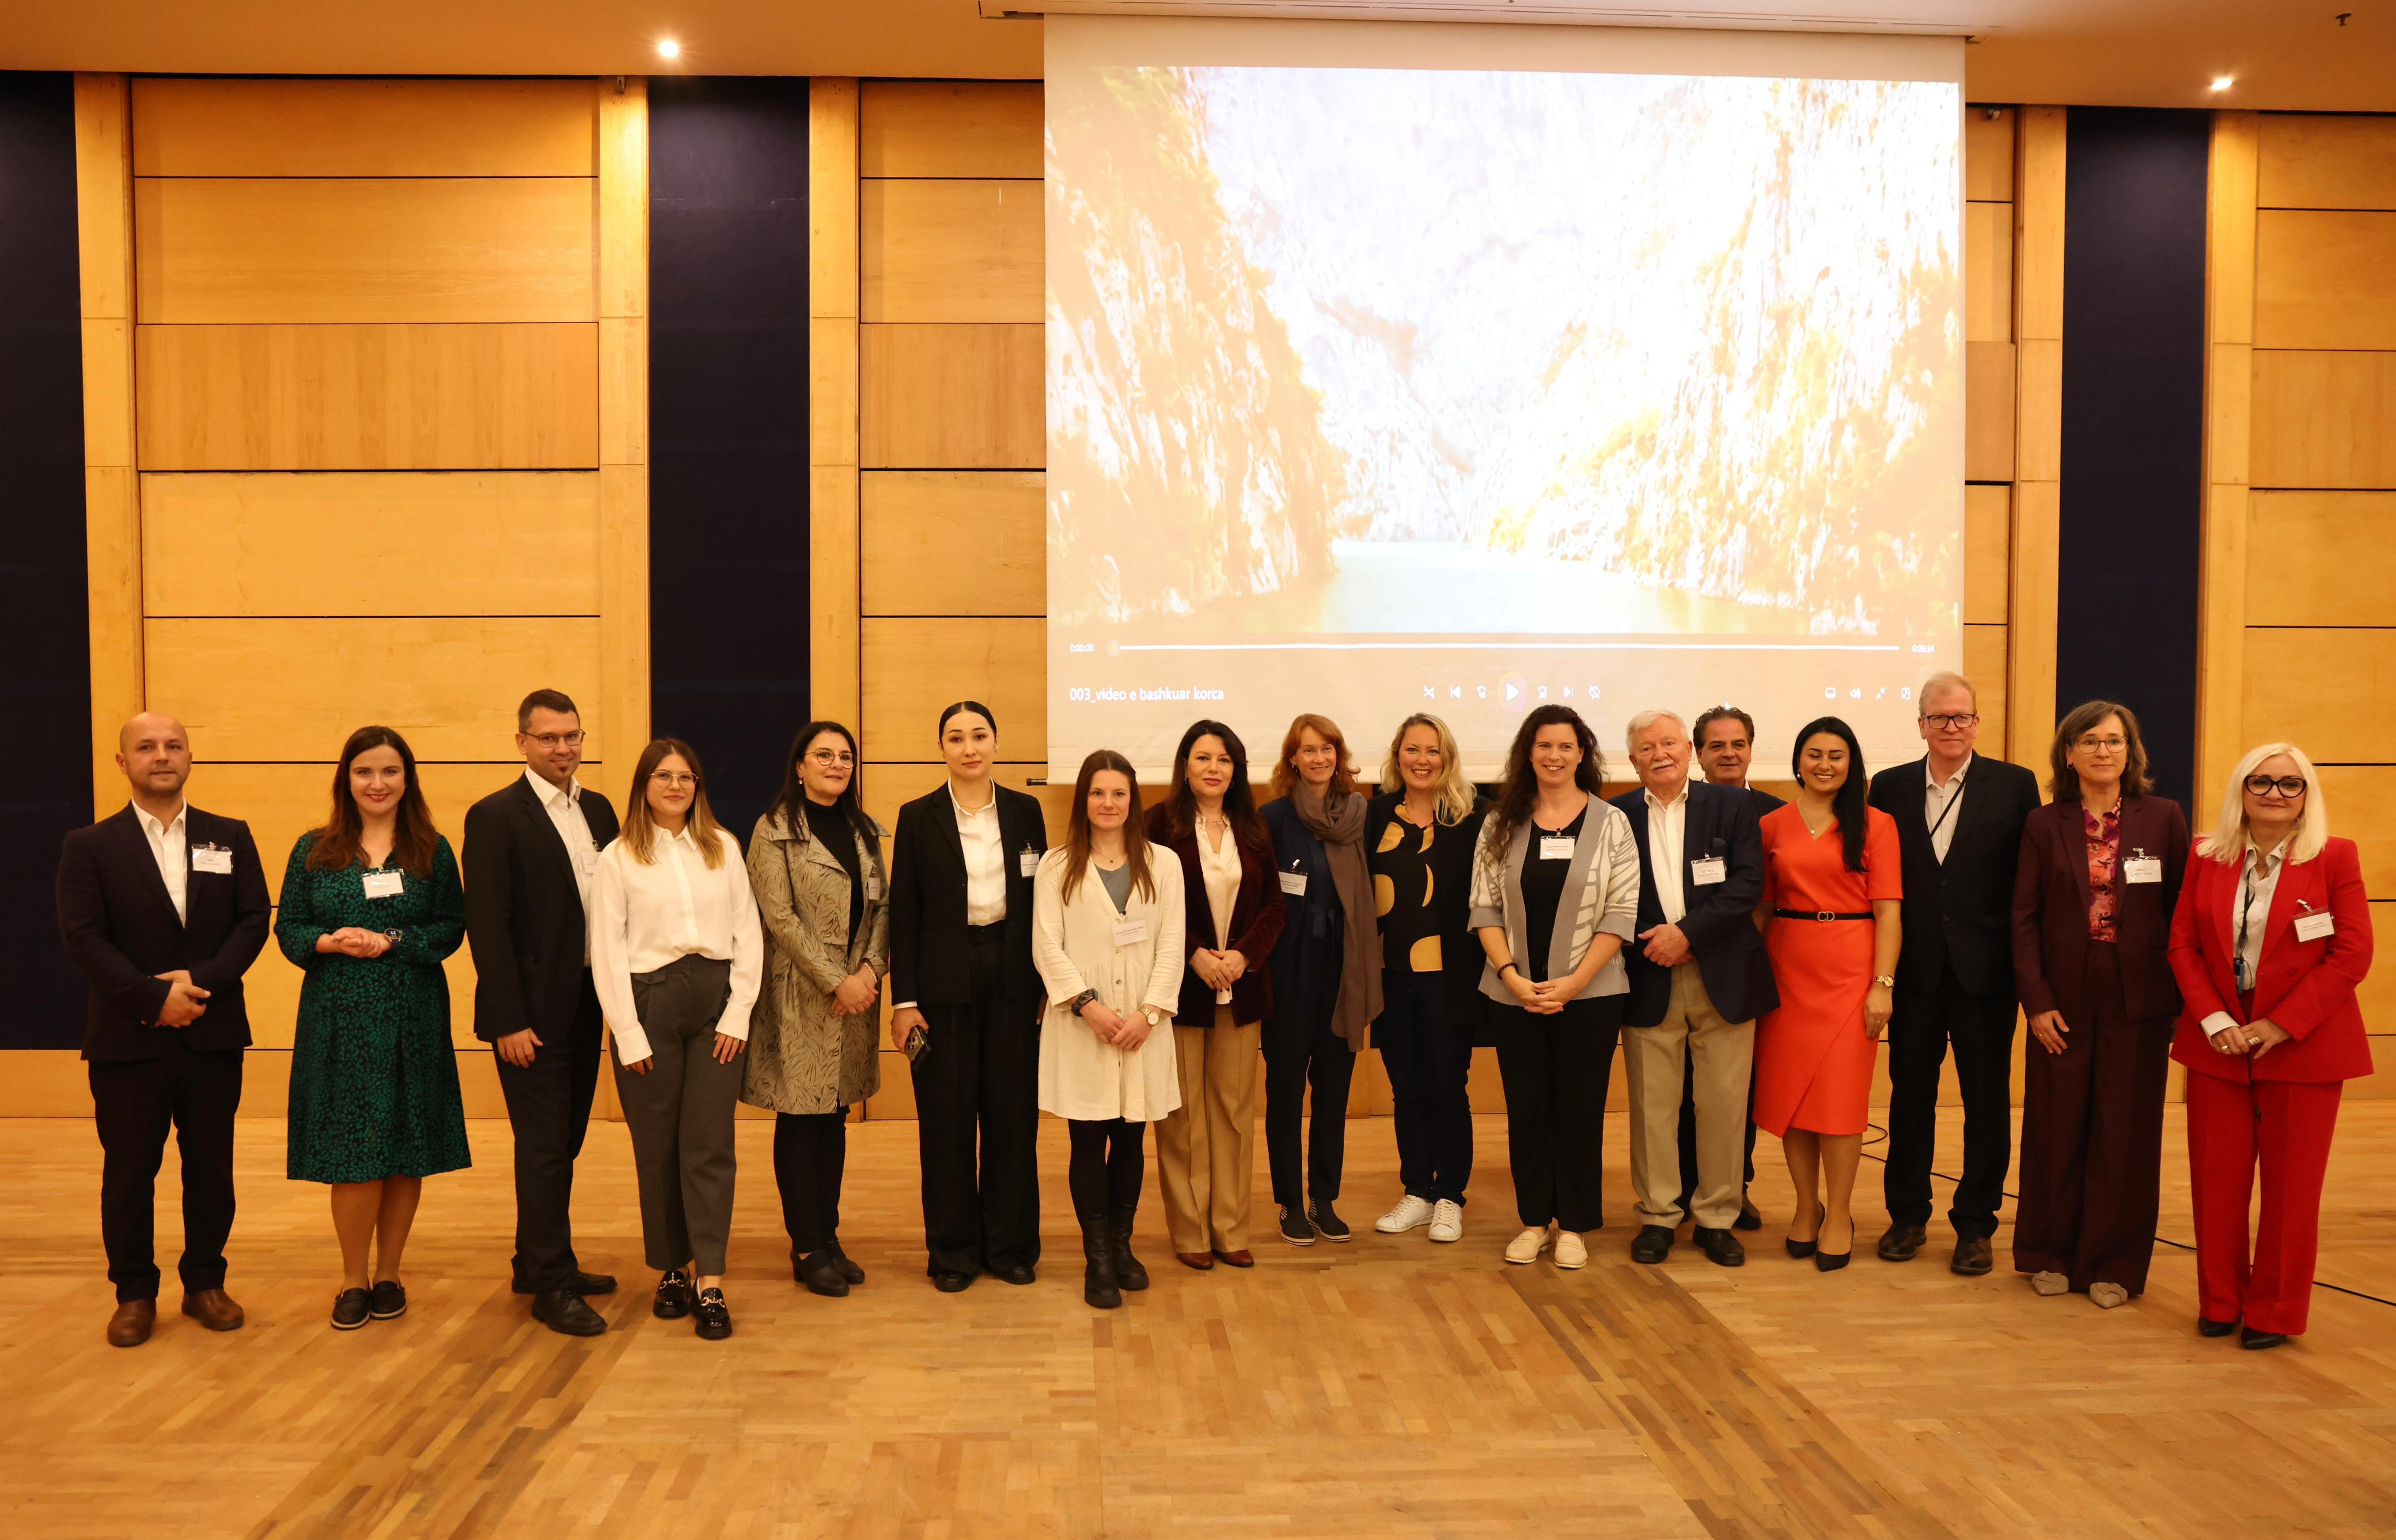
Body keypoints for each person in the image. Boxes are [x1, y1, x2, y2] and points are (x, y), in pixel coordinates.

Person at [57, 712, 270, 1348]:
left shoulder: (229, 835)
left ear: (189, 758)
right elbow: (84, 939)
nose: (161, 756)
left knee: (211, 1170)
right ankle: (134, 1293)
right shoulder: (89, 845)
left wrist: (199, 982)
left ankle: (205, 1282)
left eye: (173, 745)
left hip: (211, 1030)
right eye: (146, 747)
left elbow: (253, 919)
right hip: (128, 1038)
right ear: (122, 762)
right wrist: (154, 998)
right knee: (129, 1173)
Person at [2168, 743, 2373, 1349]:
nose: (2274, 793)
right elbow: (2182, 944)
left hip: (2302, 1043)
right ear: (2241, 789)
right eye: (2260, 781)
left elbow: (2351, 953)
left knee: (2291, 1189)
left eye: (2289, 783)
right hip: (2219, 1039)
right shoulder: (2206, 855)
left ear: (2306, 794)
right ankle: (2219, 1300)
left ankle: (2274, 1310)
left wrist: (2280, 1024)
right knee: (2216, 1182)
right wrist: (2213, 1020)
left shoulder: (2335, 856)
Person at [275, 726, 471, 1329]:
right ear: (347, 779)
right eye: (365, 771)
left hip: (413, 1015)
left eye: (389, 771)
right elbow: (289, 929)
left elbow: (450, 928)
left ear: (407, 779)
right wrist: (329, 941)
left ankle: (389, 1273)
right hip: (339, 1017)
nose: (377, 783)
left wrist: (392, 939)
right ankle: (353, 1278)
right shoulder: (313, 849)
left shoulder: (432, 850)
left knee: (406, 1147)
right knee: (354, 1150)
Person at [2010, 702, 2188, 1309]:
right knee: (2055, 1124)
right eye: (2088, 741)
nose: (2102, 751)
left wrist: (2178, 1001)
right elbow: (2023, 918)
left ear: (2130, 751)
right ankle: (2049, 1252)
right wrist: (2035, 1002)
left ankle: (2114, 1263)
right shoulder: (2043, 823)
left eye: (2114, 740)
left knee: (2125, 1130)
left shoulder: (2163, 818)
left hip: (2138, 993)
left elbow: (2182, 913)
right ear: (2069, 754)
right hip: (2062, 992)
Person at [1866, 671, 2041, 1275]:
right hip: (1913, 971)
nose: (1951, 726)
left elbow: (2029, 881)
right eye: (1939, 717)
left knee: (1985, 1103)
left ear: (1976, 724)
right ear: (1920, 725)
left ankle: (1975, 1225)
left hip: (1986, 975)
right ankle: (1906, 1216)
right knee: (1909, 1100)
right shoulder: (1888, 786)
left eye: (1961, 716)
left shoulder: (2014, 785)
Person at [589, 737, 760, 1341]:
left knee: (709, 1144)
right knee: (657, 1144)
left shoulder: (723, 848)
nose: (675, 786)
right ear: (644, 785)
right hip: (648, 1007)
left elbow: (748, 931)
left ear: (697, 786)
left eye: (686, 777)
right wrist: (627, 1032)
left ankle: (710, 1279)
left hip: (715, 1005)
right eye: (663, 776)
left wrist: (739, 1012)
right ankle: (672, 1268)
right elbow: (606, 949)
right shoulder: (618, 857)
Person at [462, 688, 620, 1337]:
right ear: (522, 742)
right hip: (528, 1015)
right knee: (544, 1147)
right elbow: (487, 924)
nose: (563, 748)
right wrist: (507, 1019)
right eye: (549, 737)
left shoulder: (600, 809)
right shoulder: (495, 816)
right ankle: (552, 1285)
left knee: (565, 1141)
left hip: (588, 1002)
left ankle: (536, 1260)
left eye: (572, 736)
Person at [886, 702, 1049, 1291]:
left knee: (1012, 1119)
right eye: (956, 738)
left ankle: (1010, 1248)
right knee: (946, 1122)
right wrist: (904, 1001)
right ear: (942, 749)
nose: (969, 747)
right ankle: (953, 1253)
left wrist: (1044, 987)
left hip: (1012, 980)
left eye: (979, 735)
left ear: (996, 742)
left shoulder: (1026, 811)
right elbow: (904, 914)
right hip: (942, 984)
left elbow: (1040, 905)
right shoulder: (917, 816)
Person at [1469, 705, 1640, 1269]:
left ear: (1581, 753)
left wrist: (1573, 983)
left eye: (1565, 746)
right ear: (1528, 752)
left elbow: (1621, 912)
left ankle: (1575, 1225)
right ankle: (1533, 1221)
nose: (1554, 755)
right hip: (1513, 995)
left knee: (1579, 1109)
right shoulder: (1500, 822)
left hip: (1591, 996)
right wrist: (1513, 978)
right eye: (1544, 745)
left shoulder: (1611, 823)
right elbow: (1484, 907)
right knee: (1527, 1109)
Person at [1612, 710, 1776, 1268]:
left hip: (1722, 972)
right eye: (1646, 747)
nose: (1659, 753)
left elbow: (1747, 884)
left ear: (1688, 750)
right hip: (1647, 972)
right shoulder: (1616, 815)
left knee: (1723, 1105)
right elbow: (1609, 892)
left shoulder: (1731, 806)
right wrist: (1659, 940)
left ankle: (1716, 1218)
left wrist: (1687, 934)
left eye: (1668, 743)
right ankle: (1658, 1215)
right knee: (1653, 1107)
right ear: (1632, 760)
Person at [1034, 750, 1186, 1308]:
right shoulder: (1056, 866)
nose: (1108, 803)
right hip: (1084, 1029)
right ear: (1083, 800)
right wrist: (1087, 1006)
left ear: (1132, 800)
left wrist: (1149, 1013)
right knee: (1087, 1141)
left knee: (1129, 1141)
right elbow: (1046, 945)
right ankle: (1096, 1258)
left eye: (1118, 793)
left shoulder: (1163, 863)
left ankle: (1122, 1247)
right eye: (1098, 793)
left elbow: (1172, 943)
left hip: (1144, 1028)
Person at [741, 722, 887, 1298]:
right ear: (799, 767)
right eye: (823, 755)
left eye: (845, 756)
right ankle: (805, 1245)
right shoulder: (773, 830)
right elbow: (778, 917)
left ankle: (828, 1236)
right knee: (802, 1119)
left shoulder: (866, 831)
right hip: (801, 995)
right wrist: (837, 981)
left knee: (834, 1118)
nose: (836, 764)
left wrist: (870, 971)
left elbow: (884, 909)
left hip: (857, 995)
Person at [1754, 716, 1902, 1272]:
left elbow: (1890, 913)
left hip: (1851, 969)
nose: (1824, 765)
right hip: (1787, 968)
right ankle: (1805, 1206)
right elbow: (1763, 908)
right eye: (1814, 754)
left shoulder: (1877, 824)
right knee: (1792, 1099)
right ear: (1798, 762)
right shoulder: (1772, 824)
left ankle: (1839, 1213)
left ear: (1851, 763)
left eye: (1836, 755)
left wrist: (1882, 985)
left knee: (1839, 1102)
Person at [1147, 721, 1284, 1270]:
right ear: (1185, 766)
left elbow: (1275, 906)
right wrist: (1196, 955)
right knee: (1181, 1115)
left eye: (1224, 759)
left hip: (1241, 990)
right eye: (1203, 757)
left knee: (1233, 1112)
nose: (1213, 768)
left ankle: (1230, 1229)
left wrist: (1244, 956)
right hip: (1181, 990)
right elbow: (1148, 904)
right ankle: (1189, 1232)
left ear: (1236, 770)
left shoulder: (1253, 826)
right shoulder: (1158, 825)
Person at [1258, 714, 1383, 1245]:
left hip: (1343, 968)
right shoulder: (1273, 817)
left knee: (1333, 1094)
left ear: (1339, 755)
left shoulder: (1359, 814)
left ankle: (1324, 1199)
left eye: (1327, 748)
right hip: (1289, 972)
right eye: (1308, 750)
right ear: (1293, 758)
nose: (1319, 758)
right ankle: (1290, 1201)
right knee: (1286, 1092)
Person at [1366, 713, 1489, 1245]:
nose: (1422, 760)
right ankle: (1417, 1190)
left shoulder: (1475, 817)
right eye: (1412, 750)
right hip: (1390, 977)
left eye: (1432, 751)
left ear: (1448, 758)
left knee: (1447, 1087)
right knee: (1406, 1088)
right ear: (1398, 756)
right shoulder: (1375, 814)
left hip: (1449, 979)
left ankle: (1450, 1197)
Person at [1685, 705, 1780, 1228]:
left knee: (1736, 1090)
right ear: (1698, 754)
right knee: (1683, 1092)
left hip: (1747, 967)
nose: (1728, 754)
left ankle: (1733, 1187)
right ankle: (1683, 1188)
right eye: (1716, 745)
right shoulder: (1679, 808)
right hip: (1680, 963)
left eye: (1737, 744)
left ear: (1750, 749)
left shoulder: (1776, 814)